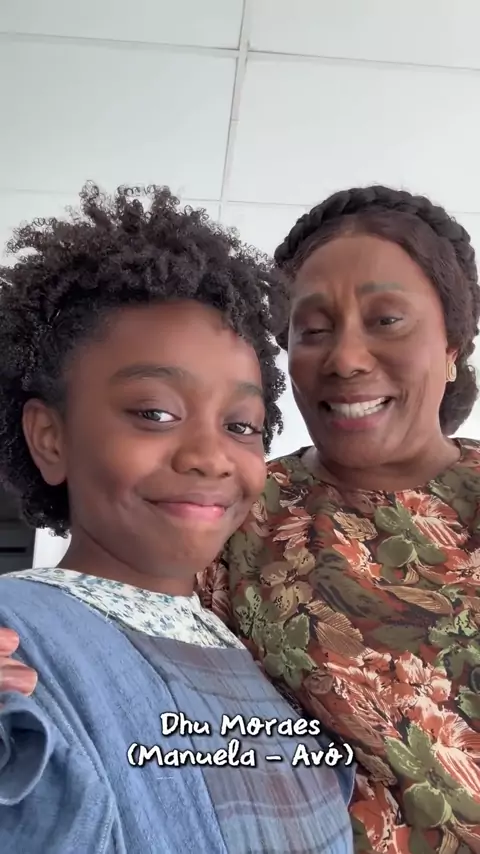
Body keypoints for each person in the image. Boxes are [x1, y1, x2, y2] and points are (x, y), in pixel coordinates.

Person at [3, 184, 480, 853]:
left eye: (387, 319)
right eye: (313, 330)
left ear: (453, 345)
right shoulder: (244, 522)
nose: (345, 358)